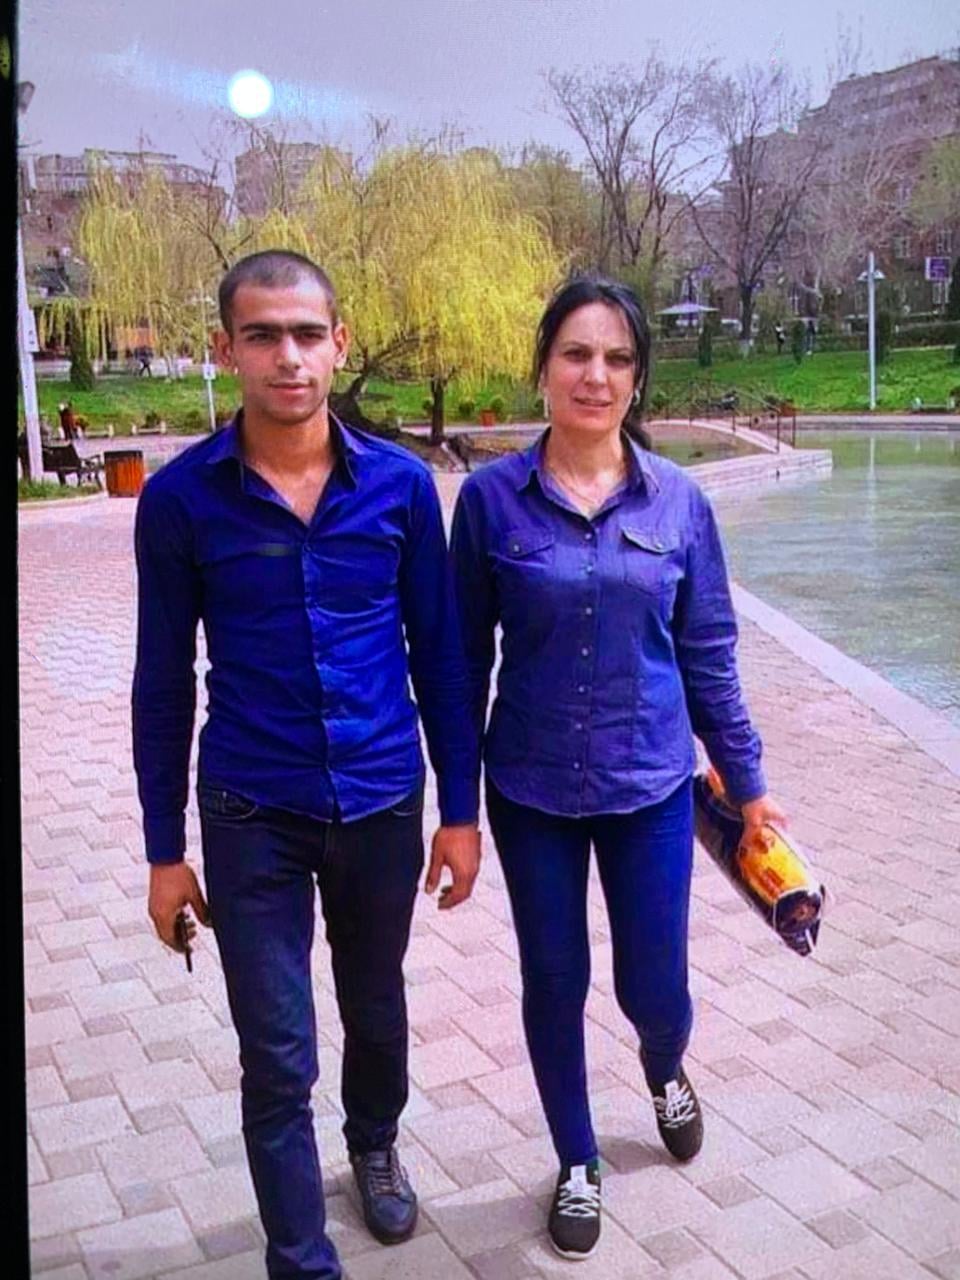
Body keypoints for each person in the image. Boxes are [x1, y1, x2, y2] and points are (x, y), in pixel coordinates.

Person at [133, 250, 481, 1280]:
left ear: (338, 343)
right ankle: (300, 1257)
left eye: (305, 334)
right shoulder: (182, 500)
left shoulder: (402, 489)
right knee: (276, 1049)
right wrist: (163, 852)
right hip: (252, 809)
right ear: (225, 349)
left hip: (380, 798)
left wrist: (460, 811)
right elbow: (163, 682)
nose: (287, 356)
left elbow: (442, 657)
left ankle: (374, 1141)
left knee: (376, 1007)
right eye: (262, 335)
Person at [451, 274, 785, 1262]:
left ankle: (665, 1064)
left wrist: (750, 786)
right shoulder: (490, 502)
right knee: (554, 978)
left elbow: (709, 652)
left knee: (656, 986)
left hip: (651, 788)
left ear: (637, 379)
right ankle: (577, 1158)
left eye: (618, 358)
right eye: (577, 354)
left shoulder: (679, 503)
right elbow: (463, 663)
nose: (596, 375)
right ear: (544, 369)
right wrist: (457, 809)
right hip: (532, 790)